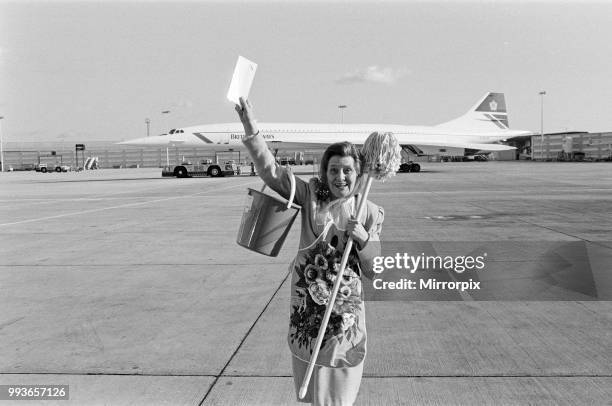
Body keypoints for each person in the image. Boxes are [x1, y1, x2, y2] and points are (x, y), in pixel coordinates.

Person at [236, 98, 384, 405]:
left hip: (344, 319)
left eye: (346, 170)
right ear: (324, 171)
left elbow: (376, 269)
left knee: (338, 398)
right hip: (308, 314)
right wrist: (251, 128)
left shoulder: (369, 212)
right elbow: (271, 172)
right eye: (333, 170)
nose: (339, 177)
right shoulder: (310, 197)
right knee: (310, 394)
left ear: (358, 174)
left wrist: (364, 239)